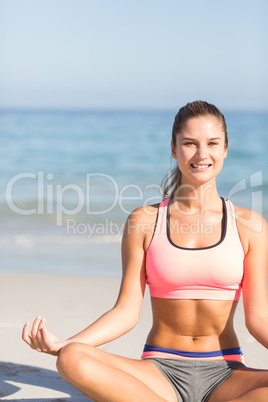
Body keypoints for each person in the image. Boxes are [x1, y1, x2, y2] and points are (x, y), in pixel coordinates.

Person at [22, 101, 268, 402]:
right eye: (190, 143)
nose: (202, 154)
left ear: (226, 148)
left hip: (226, 373)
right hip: (158, 373)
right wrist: (65, 344)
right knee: (72, 358)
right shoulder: (144, 222)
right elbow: (125, 312)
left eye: (212, 143)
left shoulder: (250, 225)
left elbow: (257, 319)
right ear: (174, 149)